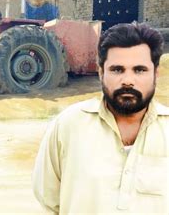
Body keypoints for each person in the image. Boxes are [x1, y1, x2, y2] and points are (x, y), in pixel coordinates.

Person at [32, 22, 168, 213]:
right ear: (101, 73)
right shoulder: (69, 125)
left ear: (156, 74)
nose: (128, 80)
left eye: (139, 70)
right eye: (117, 70)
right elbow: (48, 199)